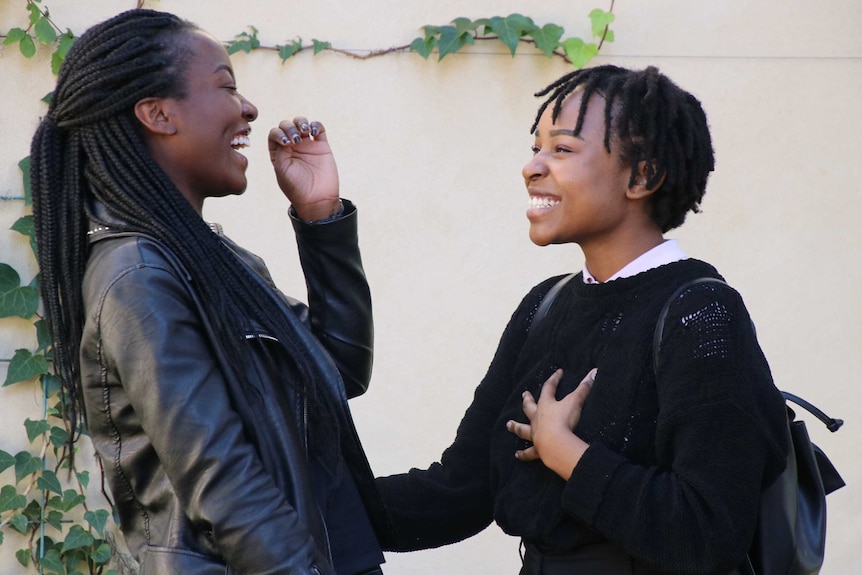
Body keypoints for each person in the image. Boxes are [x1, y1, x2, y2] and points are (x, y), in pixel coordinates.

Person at [375, 65, 789, 574]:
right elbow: (462, 491)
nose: (532, 167)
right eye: (535, 147)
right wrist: (297, 502)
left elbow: (709, 530)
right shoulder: (542, 306)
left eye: (562, 149)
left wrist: (568, 453)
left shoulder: (700, 313)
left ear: (643, 176)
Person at [30, 9, 395, 575]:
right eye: (226, 86)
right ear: (157, 113)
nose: (248, 108)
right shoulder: (139, 277)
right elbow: (225, 487)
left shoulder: (207, 260)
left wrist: (321, 219)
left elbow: (339, 370)